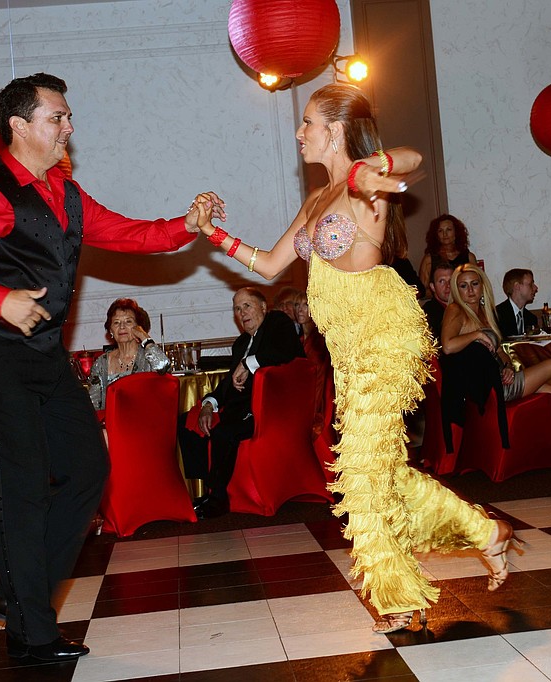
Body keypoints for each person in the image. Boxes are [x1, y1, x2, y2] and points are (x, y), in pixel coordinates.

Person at [0, 72, 224, 662]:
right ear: (20, 126)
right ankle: (32, 631)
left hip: (44, 352)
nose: (69, 127)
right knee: (22, 486)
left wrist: (183, 229)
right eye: (58, 117)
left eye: (67, 116)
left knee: (87, 464)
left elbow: (128, 234)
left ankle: (20, 589)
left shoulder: (67, 194)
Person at [191, 83, 515, 634]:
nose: (300, 132)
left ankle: (397, 599)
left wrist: (375, 168)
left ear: (336, 130)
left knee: (361, 472)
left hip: (383, 336)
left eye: (309, 122)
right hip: (347, 350)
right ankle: (485, 533)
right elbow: (270, 265)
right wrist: (211, 233)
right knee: (378, 468)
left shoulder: (367, 183)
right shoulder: (316, 200)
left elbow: (411, 159)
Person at [179, 287, 303, 519]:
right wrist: (209, 404)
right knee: (187, 424)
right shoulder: (240, 343)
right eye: (237, 308)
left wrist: (248, 363)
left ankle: (218, 499)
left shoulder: (278, 323)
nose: (241, 312)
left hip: (269, 410)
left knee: (224, 433)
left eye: (247, 305)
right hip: (238, 409)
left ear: (263, 307)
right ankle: (209, 487)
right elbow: (227, 384)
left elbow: (286, 352)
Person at [440, 265, 551, 450]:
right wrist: (477, 335)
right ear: (456, 289)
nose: (470, 290)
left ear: (483, 286)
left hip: (499, 379)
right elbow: (447, 346)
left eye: (474, 284)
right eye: (463, 286)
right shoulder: (456, 309)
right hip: (488, 389)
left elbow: (499, 351)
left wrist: (509, 368)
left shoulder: (484, 311)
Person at [87, 298, 170, 410]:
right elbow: (93, 404)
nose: (122, 327)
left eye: (128, 321)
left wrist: (145, 337)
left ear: (138, 327)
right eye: (116, 322)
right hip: (110, 425)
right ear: (110, 330)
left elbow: (164, 366)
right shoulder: (101, 363)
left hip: (146, 421)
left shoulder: (148, 357)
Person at [417, 214, 478, 298]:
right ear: (436, 235)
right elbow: (422, 291)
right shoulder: (429, 260)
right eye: (440, 231)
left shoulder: (469, 257)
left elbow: (477, 285)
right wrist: (441, 293)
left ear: (456, 232)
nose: (445, 234)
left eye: (448, 230)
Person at [296, 292, 330, 433]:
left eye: (306, 304)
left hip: (318, 398)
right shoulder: (299, 341)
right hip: (303, 396)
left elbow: (321, 375)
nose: (300, 309)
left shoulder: (320, 340)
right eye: (297, 305)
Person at [495, 268, 539, 338]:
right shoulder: (496, 315)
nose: (535, 288)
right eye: (530, 284)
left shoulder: (531, 318)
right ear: (517, 286)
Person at [422, 260, 454, 341]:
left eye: (451, 281)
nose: (448, 286)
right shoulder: (428, 313)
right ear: (433, 287)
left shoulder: (465, 306)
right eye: (442, 281)